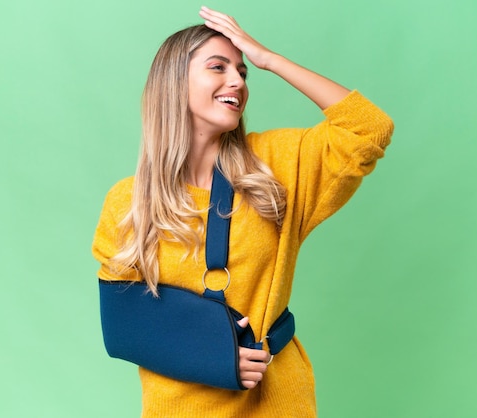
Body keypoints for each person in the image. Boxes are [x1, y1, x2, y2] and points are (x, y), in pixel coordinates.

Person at [92, 6, 394, 417]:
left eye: (243, 71)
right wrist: (212, 353)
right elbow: (124, 324)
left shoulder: (275, 166)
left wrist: (269, 59)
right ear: (173, 83)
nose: (237, 80)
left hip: (278, 400)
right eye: (217, 67)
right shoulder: (127, 203)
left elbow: (368, 128)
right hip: (178, 408)